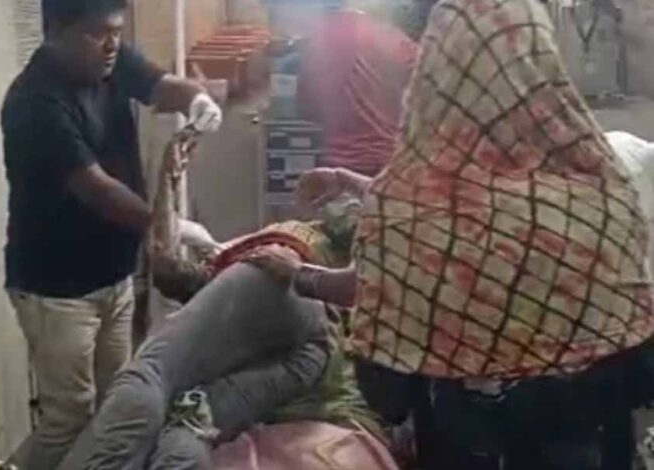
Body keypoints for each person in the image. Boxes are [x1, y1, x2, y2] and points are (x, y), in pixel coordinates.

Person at [249, 0, 654, 468]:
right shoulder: (604, 191)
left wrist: (300, 275)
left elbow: (379, 340)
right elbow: (635, 353)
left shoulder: (415, 207)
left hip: (465, 441)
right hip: (588, 443)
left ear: (437, 76)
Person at [54, 134, 398, 470]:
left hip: (287, 284)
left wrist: (168, 180)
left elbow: (166, 267)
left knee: (155, 373)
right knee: (194, 415)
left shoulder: (285, 245)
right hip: (314, 354)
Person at [0, 0, 222, 467]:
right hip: (57, 291)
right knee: (68, 419)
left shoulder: (110, 60)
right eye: (98, 33)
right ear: (56, 31)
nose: (112, 44)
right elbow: (98, 190)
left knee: (115, 406)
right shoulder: (34, 103)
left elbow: (164, 87)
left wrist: (197, 101)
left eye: (117, 32)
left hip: (113, 276)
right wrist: (169, 226)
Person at [297, 0, 418, 176]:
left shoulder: (317, 38)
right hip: (387, 166)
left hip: (334, 168)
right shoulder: (400, 44)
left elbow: (306, 108)